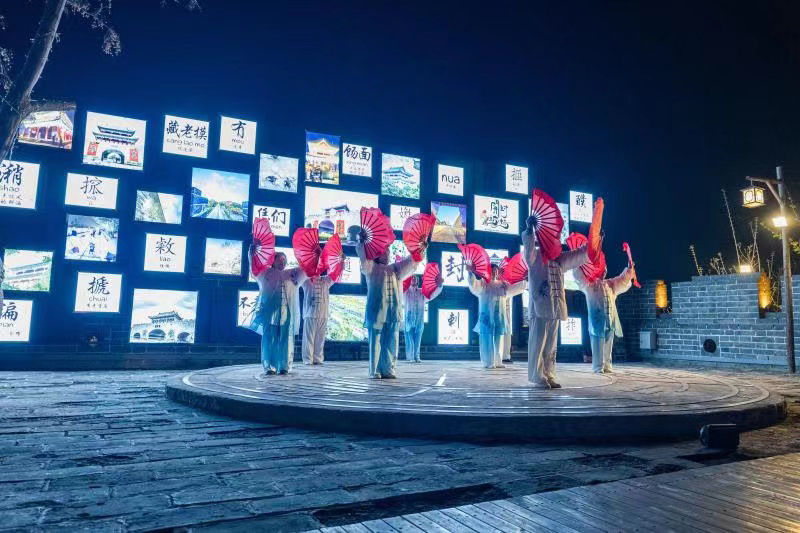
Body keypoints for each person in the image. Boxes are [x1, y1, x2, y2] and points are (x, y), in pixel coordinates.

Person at [523, 199, 601, 388]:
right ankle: (537, 376)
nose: (555, 241)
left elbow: (582, 254)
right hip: (539, 307)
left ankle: (549, 374)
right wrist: (529, 231)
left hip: (555, 306)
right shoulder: (535, 257)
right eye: (552, 239)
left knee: (551, 343)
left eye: (556, 239)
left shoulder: (560, 260)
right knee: (538, 342)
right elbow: (528, 248)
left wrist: (595, 238)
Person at [357, 232, 423, 379]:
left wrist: (420, 248)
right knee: (376, 341)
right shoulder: (372, 268)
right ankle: (374, 370)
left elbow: (411, 261)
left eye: (388, 251)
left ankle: (389, 369)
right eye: (384, 251)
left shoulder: (396, 269)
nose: (387, 253)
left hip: (393, 311)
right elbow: (364, 260)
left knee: (392, 340)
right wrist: (361, 244)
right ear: (378, 254)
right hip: (377, 311)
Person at [246, 247, 306, 375]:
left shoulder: (291, 273)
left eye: (284, 260)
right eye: (280, 259)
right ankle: (270, 366)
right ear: (273, 261)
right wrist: (251, 254)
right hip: (270, 312)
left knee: (285, 339)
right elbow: (254, 270)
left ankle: (284, 366)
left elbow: (307, 270)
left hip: (286, 312)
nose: (282, 262)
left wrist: (313, 255)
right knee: (269, 338)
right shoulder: (265, 273)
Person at [575, 261, 635, 373]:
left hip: (610, 318)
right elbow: (579, 279)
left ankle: (607, 364)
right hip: (597, 320)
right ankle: (598, 366)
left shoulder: (610, 284)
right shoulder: (590, 284)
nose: (604, 271)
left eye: (604, 269)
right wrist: (577, 265)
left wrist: (629, 269)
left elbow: (622, 280)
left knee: (608, 342)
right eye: (601, 269)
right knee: (598, 344)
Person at [467, 263, 526, 369]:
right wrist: (471, 273)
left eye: (496, 271)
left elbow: (513, 288)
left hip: (499, 316)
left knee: (499, 338)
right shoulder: (484, 283)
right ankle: (488, 362)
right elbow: (474, 285)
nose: (495, 273)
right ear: (488, 271)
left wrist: (524, 281)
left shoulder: (502, 284)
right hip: (487, 315)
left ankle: (498, 361)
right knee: (487, 338)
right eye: (492, 271)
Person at [403, 273, 443, 363]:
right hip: (409, 319)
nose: (414, 280)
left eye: (415, 279)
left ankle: (417, 356)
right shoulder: (406, 292)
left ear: (418, 281)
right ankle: (410, 357)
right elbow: (399, 294)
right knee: (409, 340)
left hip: (419, 319)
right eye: (412, 278)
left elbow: (432, 295)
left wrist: (439, 286)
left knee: (418, 339)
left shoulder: (421, 291)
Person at [300, 273, 334, 365]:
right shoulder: (306, 280)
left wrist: (341, 264)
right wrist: (307, 274)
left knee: (320, 338)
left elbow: (336, 273)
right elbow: (299, 277)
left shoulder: (326, 280)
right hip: (310, 313)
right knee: (309, 338)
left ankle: (318, 358)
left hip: (323, 313)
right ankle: (308, 359)